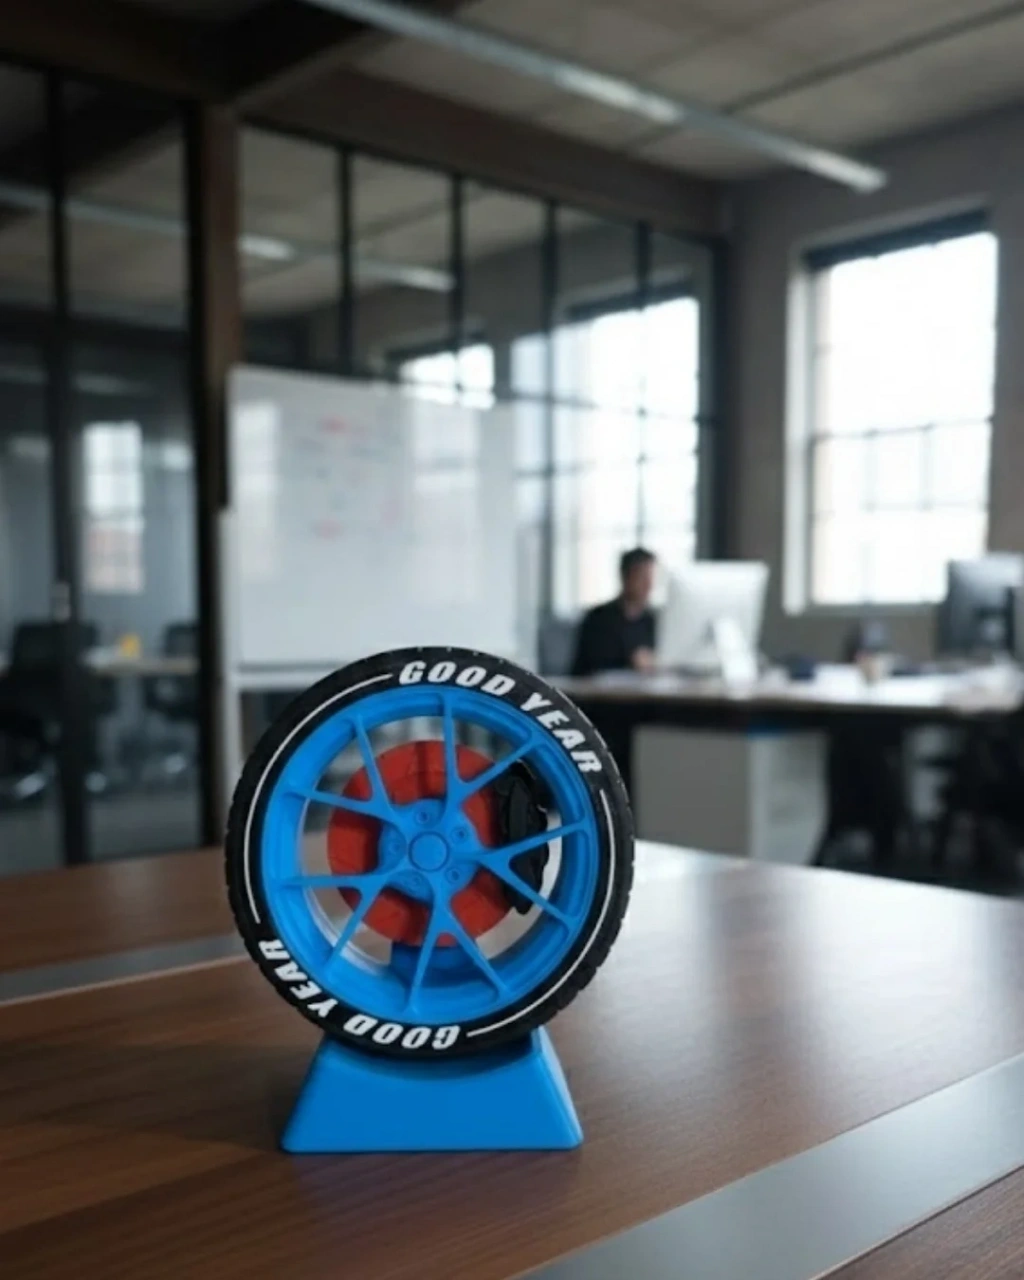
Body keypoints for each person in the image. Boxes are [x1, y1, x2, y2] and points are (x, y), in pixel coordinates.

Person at [572, 547, 657, 677]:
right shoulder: (598, 618)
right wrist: (632, 660)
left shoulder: (651, 620)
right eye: (642, 577)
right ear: (625, 577)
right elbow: (591, 666)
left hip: (643, 687)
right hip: (597, 688)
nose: (649, 585)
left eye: (651, 577)